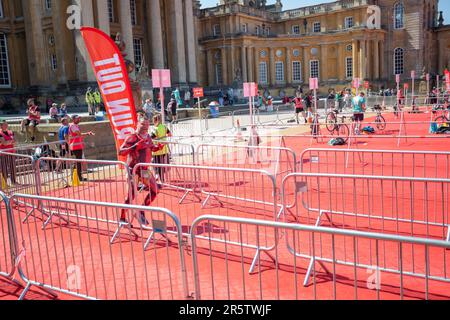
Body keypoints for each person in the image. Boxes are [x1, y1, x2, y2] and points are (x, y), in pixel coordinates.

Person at [118, 118, 165, 225]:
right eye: (143, 124)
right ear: (137, 124)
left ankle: (141, 211)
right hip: (133, 170)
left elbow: (151, 147)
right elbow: (121, 152)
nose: (145, 126)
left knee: (155, 190)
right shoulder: (132, 137)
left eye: (147, 124)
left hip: (144, 170)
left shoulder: (148, 136)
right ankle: (122, 218)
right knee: (130, 196)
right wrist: (135, 146)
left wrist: (157, 148)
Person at [68, 115, 94, 182]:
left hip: (77, 146)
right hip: (75, 147)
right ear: (73, 119)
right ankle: (78, 178)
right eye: (77, 119)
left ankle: (75, 177)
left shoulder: (75, 126)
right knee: (78, 162)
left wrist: (87, 133)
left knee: (77, 162)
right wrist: (87, 133)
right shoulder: (73, 126)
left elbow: (79, 135)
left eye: (79, 118)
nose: (79, 120)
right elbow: (79, 134)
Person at [151, 114, 172, 184]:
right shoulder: (164, 127)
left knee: (157, 164)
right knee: (161, 164)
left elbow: (152, 137)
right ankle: (159, 177)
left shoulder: (155, 128)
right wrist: (164, 137)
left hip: (157, 150)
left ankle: (161, 179)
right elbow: (170, 134)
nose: (153, 122)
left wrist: (158, 139)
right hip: (164, 149)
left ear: (156, 121)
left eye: (154, 121)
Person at [0, 121, 17, 185]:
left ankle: (14, 182)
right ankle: (5, 183)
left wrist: (8, 142)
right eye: (4, 125)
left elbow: (15, 141)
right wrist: (11, 141)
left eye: (7, 124)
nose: (6, 126)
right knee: (4, 169)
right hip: (3, 153)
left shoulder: (11, 132)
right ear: (1, 126)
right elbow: (4, 143)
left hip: (11, 152)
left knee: (13, 167)